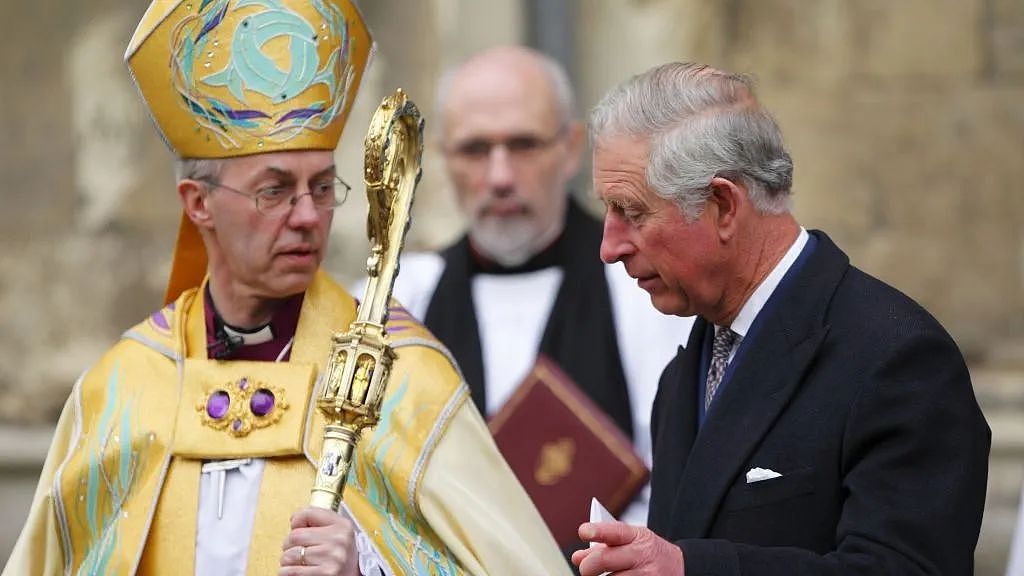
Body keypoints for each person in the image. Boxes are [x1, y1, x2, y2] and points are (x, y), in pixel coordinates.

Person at [2, 2, 570, 575]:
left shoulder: (400, 377)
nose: (306, 216)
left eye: (322, 188)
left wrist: (366, 571)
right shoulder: (123, 389)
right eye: (274, 191)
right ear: (198, 205)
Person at [573, 62, 991, 575]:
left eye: (632, 212)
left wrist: (693, 569)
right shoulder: (686, 372)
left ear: (723, 205)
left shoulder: (898, 359)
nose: (609, 248)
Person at [383, 46, 693, 527]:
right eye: (475, 149)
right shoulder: (401, 303)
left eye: (524, 145)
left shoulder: (648, 290)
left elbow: (680, 478)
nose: (501, 177)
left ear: (571, 148)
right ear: (442, 157)